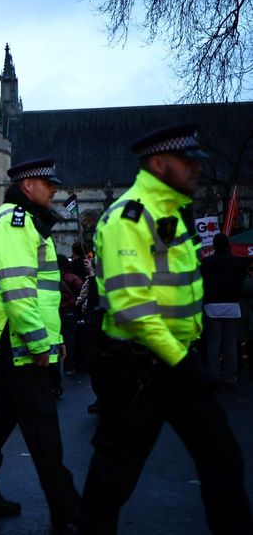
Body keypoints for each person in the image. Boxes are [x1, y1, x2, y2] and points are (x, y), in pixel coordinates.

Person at [79, 124, 252, 534]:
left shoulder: (172, 214)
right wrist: (185, 363)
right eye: (186, 161)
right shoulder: (128, 218)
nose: (196, 168)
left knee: (224, 460)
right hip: (137, 369)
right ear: (159, 164)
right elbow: (132, 306)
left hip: (175, 361)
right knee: (112, 479)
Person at [0, 158, 79, 531]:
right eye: (48, 184)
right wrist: (39, 341)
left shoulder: (24, 221)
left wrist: (54, 338)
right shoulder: (15, 223)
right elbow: (18, 291)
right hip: (20, 341)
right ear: (28, 186)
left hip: (17, 339)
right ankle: (68, 511)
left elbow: (41, 292)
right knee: (44, 431)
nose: (54, 190)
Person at [201, 232, 246, 389]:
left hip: (212, 306)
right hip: (232, 307)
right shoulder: (237, 263)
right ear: (228, 245)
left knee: (213, 343)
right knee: (230, 344)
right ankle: (231, 378)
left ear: (214, 245)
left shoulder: (207, 262)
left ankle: (213, 377)